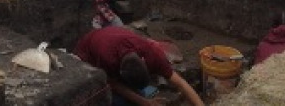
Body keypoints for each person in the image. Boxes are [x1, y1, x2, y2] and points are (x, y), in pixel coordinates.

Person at [74, 26, 204, 106]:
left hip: (113, 36)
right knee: (118, 102)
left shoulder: (153, 55)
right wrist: (144, 102)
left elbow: (181, 83)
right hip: (87, 52)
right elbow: (114, 84)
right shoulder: (107, 58)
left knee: (141, 94)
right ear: (120, 72)